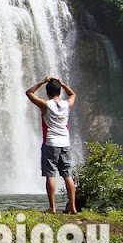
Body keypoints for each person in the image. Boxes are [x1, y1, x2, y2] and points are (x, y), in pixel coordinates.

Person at [26, 76, 77, 214]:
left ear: (47, 93)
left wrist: (42, 82)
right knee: (67, 175)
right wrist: (62, 83)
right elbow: (73, 94)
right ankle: (72, 207)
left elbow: (29, 93)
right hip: (65, 143)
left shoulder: (46, 105)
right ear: (59, 91)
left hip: (50, 143)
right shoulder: (67, 104)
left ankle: (52, 208)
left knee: (50, 175)